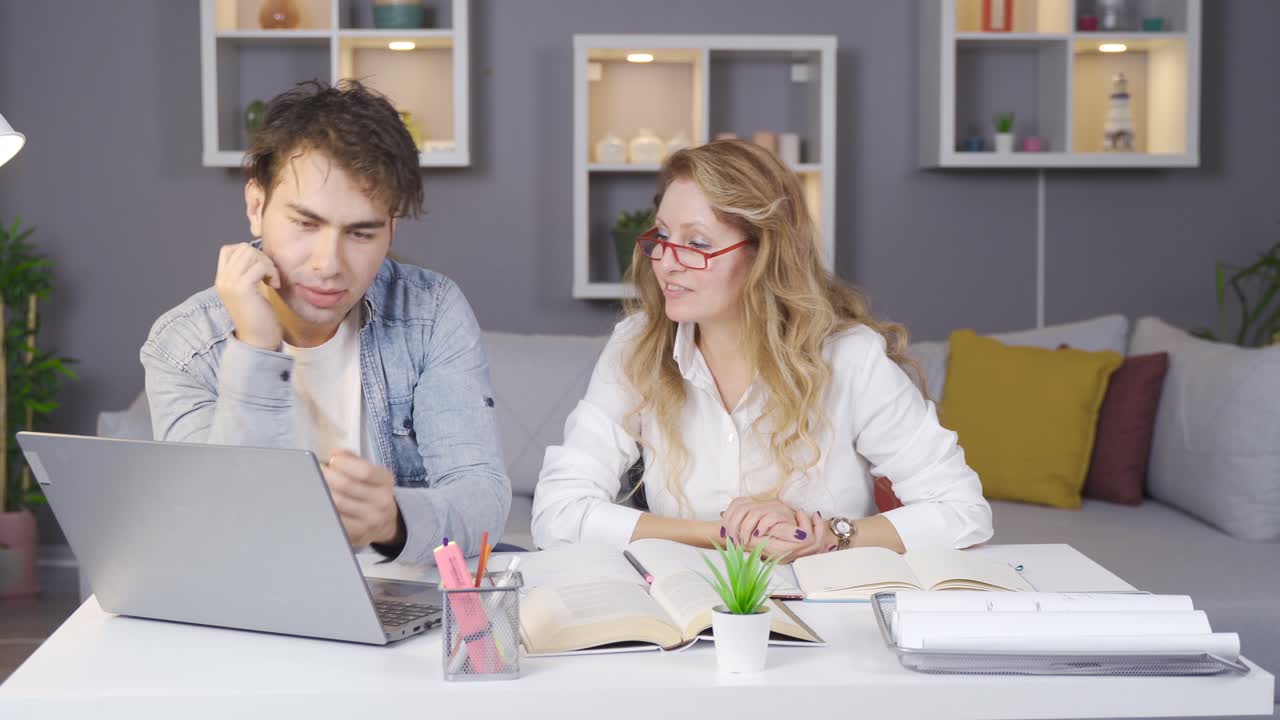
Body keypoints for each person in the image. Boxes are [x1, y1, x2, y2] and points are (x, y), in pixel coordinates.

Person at [532, 139, 991, 559]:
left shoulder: (849, 358)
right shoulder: (638, 346)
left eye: (696, 243)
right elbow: (557, 513)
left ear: (764, 253)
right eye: (663, 236)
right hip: (690, 615)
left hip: (830, 620)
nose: (667, 263)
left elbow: (963, 512)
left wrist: (829, 534)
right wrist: (724, 534)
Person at [141, 80, 510, 563]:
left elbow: (482, 497)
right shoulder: (182, 343)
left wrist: (394, 521)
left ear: (391, 228)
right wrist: (255, 347)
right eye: (305, 224)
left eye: (361, 232)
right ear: (257, 207)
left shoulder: (431, 309)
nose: (328, 263)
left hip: (398, 593)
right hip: (254, 600)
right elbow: (216, 530)